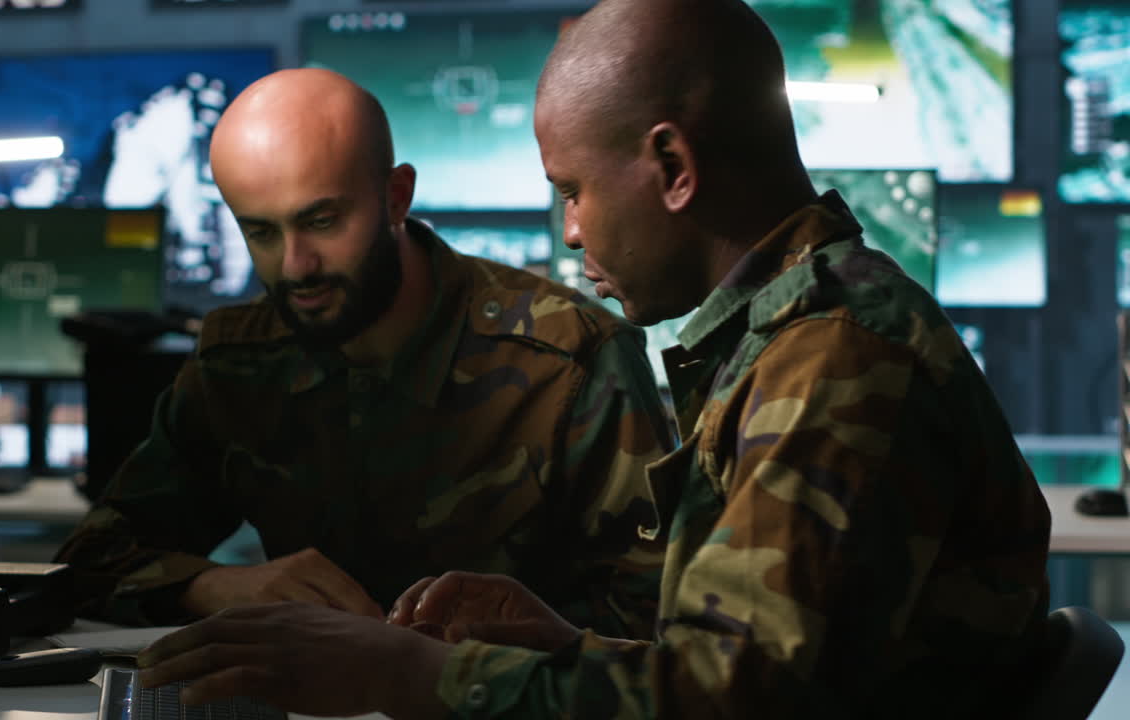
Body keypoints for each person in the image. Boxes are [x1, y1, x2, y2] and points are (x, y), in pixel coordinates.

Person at [133, 0, 1053, 718]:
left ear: (673, 168)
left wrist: (416, 674)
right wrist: (560, 643)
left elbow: (729, 706)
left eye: (572, 192)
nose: (570, 231)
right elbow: (733, 668)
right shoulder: (789, 337)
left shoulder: (836, 362)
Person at [53, 67, 673, 639]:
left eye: (322, 222)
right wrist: (216, 586)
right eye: (261, 232)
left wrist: (466, 659)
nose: (296, 268)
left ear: (396, 197)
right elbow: (88, 561)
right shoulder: (239, 362)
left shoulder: (569, 358)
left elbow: (658, 627)